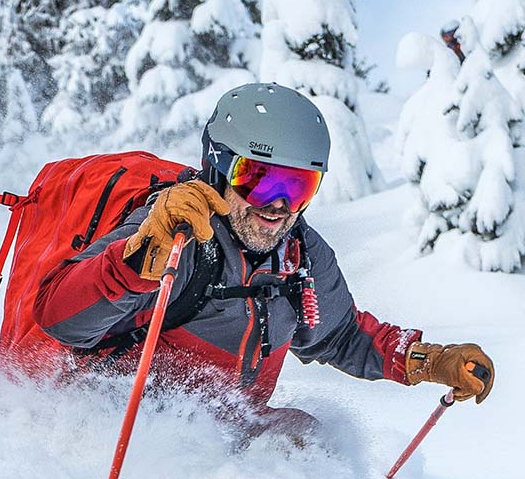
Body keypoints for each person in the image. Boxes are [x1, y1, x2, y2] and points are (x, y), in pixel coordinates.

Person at [32, 83, 493, 440]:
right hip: (121, 429)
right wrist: (133, 266)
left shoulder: (299, 254)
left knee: (306, 438)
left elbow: (341, 335)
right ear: (218, 168)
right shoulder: (175, 231)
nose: (278, 206)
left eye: (298, 188)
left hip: (220, 434)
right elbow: (59, 319)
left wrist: (428, 361)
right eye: (258, 181)